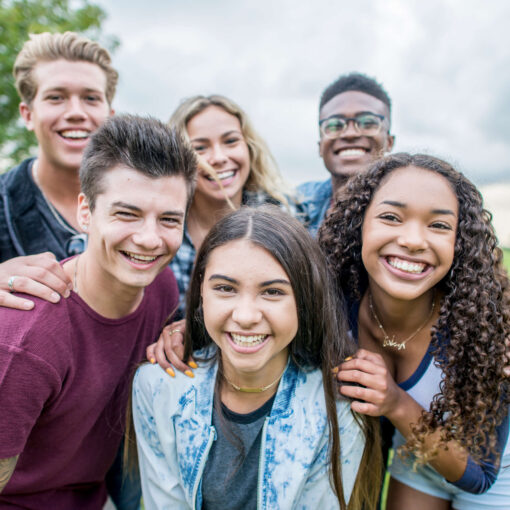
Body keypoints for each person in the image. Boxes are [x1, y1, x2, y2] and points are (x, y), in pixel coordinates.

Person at [0, 115, 197, 509]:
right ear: (85, 212)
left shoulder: (160, 288)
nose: (149, 239)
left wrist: (182, 330)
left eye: (169, 219)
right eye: (127, 213)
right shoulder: (29, 337)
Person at [132, 206, 382, 510]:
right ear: (201, 294)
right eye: (225, 288)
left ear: (305, 299)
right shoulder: (159, 387)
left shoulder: (337, 405)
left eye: (273, 292)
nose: (246, 316)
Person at [319, 153, 510, 509]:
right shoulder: (335, 298)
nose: (412, 240)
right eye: (391, 217)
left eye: (438, 226)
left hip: (493, 469)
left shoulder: (483, 328)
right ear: (359, 223)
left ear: (459, 242)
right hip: (416, 450)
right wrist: (186, 332)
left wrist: (393, 400)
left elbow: (479, 476)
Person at [147, 95, 306, 374]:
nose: (219, 158)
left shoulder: (282, 213)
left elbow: (303, 304)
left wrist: (196, 328)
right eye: (200, 147)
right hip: (176, 373)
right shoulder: (158, 225)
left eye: (231, 141)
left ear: (249, 147)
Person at [0, 31, 117, 310]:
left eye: (90, 98)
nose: (76, 112)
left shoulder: (149, 203)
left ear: (110, 115)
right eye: (56, 97)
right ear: (28, 114)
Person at [298, 72, 395, 236]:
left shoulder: (413, 207)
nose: (350, 133)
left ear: (389, 142)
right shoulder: (296, 205)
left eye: (368, 122)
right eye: (335, 125)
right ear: (320, 146)